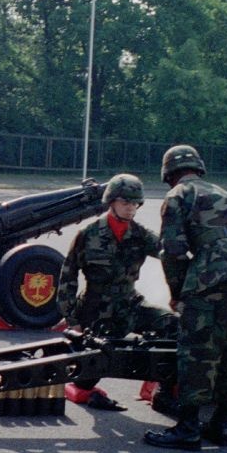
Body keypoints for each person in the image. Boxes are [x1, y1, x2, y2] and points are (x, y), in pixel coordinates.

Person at [143, 145, 227, 451]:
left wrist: (177, 294)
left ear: (169, 173)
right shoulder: (222, 192)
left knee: (198, 352)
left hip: (209, 279)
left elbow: (172, 251)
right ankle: (221, 425)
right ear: (198, 167)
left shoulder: (178, 196)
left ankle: (188, 428)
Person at [57, 173, 175, 411]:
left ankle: (164, 393)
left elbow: (169, 254)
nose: (131, 208)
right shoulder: (88, 235)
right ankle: (85, 386)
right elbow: (68, 277)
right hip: (96, 311)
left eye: (135, 203)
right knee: (87, 375)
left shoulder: (140, 235)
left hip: (130, 304)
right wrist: (72, 320)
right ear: (111, 202)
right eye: (125, 202)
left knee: (172, 324)